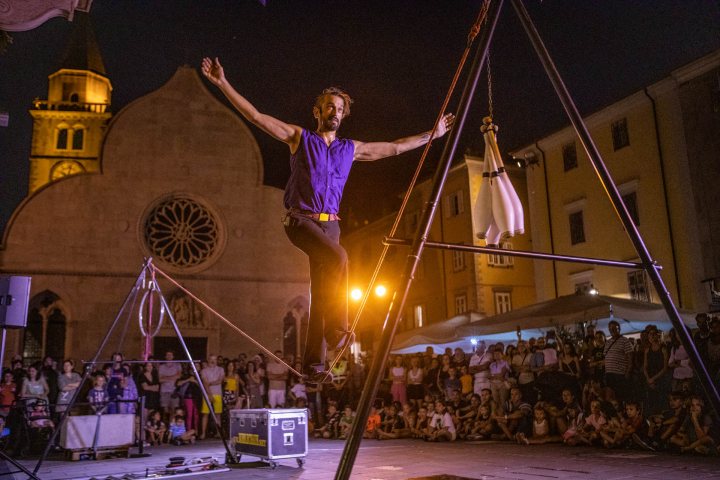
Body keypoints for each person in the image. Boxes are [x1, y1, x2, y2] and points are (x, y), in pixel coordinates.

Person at [201, 57, 454, 377]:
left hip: (331, 224)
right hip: (300, 221)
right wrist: (223, 83)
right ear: (317, 112)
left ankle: (314, 365)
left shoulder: (351, 148)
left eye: (338, 108)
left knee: (321, 294)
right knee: (340, 259)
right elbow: (255, 116)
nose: (333, 111)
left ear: (343, 115)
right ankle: (339, 330)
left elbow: (393, 148)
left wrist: (433, 134)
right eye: (327, 107)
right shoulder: (299, 138)